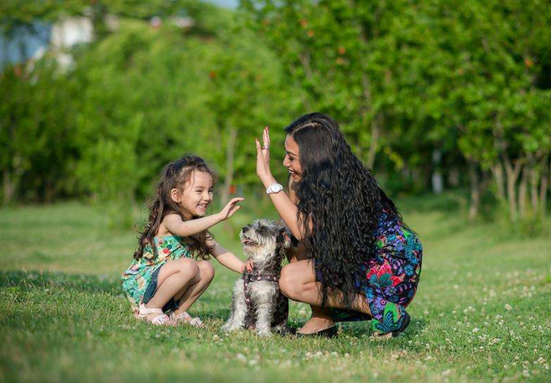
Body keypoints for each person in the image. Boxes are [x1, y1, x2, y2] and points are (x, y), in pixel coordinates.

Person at [255, 113, 422, 337]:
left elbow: (302, 229)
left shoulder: (347, 185)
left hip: (391, 265)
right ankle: (321, 321)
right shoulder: (306, 181)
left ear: (314, 157)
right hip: (358, 260)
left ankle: (382, 310)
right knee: (292, 244)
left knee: (290, 280)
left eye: (291, 157)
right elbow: (295, 232)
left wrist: (267, 178)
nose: (285, 162)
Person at [121, 154, 249, 326]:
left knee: (206, 268)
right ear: (176, 195)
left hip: (163, 285)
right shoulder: (170, 218)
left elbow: (219, 251)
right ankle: (150, 310)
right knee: (188, 265)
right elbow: (183, 229)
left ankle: (179, 312)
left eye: (209, 190)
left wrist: (243, 267)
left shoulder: (196, 226)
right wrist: (219, 217)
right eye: (199, 190)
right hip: (143, 286)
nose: (207, 197)